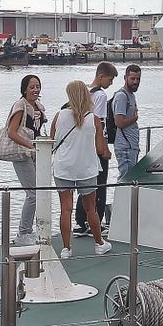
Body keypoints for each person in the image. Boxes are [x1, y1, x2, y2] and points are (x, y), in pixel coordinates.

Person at [50, 79, 112, 259]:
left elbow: (52, 142)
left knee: (66, 209)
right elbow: (101, 149)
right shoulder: (93, 119)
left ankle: (66, 249)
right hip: (86, 168)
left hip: (63, 168)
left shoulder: (59, 116)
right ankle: (99, 243)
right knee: (90, 208)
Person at [3, 74, 46, 246]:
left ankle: (31, 230)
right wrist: (30, 145)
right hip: (22, 153)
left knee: (39, 191)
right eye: (32, 87)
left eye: (37, 86)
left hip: (35, 153)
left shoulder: (38, 107)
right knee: (33, 193)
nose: (35, 90)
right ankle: (23, 232)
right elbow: (11, 132)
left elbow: (37, 130)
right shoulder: (20, 106)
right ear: (24, 89)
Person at [76, 61, 117, 234]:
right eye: (110, 79)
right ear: (101, 76)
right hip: (97, 144)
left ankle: (81, 221)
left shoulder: (84, 91)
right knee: (100, 184)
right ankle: (96, 222)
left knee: (86, 182)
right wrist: (104, 148)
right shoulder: (100, 95)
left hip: (84, 144)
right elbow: (99, 122)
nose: (111, 83)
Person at [111, 64, 143, 180]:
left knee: (130, 179)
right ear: (125, 78)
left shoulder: (131, 95)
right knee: (126, 179)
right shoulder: (121, 96)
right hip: (125, 147)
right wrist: (134, 119)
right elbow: (119, 122)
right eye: (132, 78)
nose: (136, 82)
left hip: (131, 145)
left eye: (138, 79)